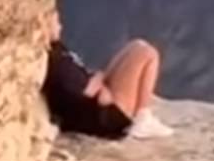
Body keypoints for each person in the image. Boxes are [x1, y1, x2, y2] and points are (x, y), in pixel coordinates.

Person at [41, 11, 174, 140]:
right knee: (148, 54)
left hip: (101, 99)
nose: (60, 26)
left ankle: (142, 115)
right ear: (45, 28)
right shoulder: (56, 60)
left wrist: (99, 80)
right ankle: (143, 117)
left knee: (137, 45)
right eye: (56, 22)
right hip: (106, 115)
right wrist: (99, 84)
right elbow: (83, 92)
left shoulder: (58, 48)